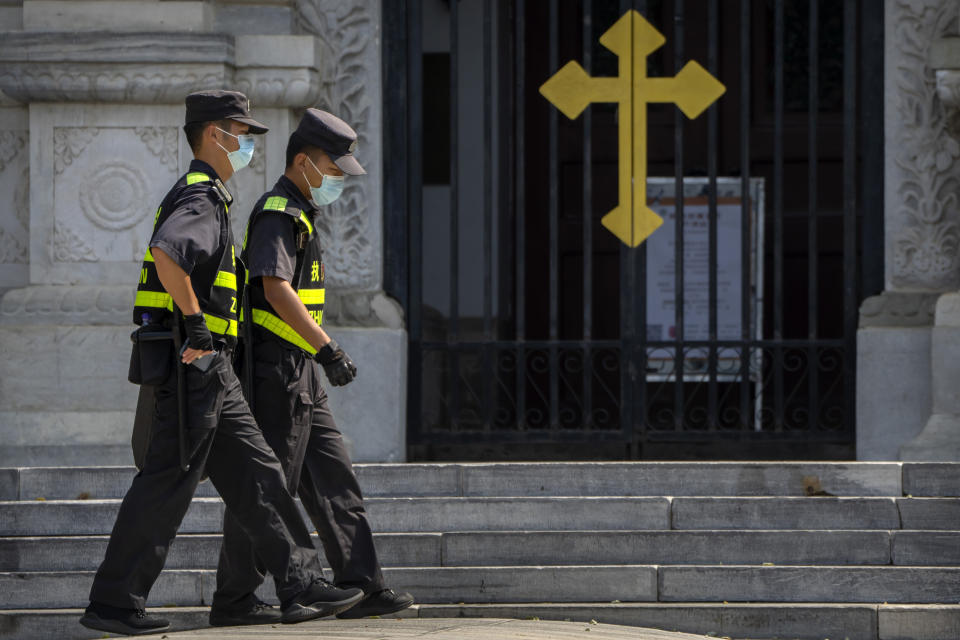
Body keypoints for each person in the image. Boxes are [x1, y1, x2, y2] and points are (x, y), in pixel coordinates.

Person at [80, 91, 364, 637]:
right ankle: (114, 603)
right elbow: (169, 252)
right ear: (215, 134)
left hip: (213, 371)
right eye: (242, 133)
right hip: (194, 367)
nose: (249, 145)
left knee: (261, 475)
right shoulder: (201, 197)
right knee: (166, 485)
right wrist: (195, 324)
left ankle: (299, 583)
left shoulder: (215, 198)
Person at [209, 108, 414, 626]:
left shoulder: (300, 211)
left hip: (301, 373)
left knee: (334, 478)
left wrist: (317, 356)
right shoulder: (279, 211)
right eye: (334, 167)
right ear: (304, 162)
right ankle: (235, 600)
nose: (340, 178)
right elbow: (274, 287)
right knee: (265, 488)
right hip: (276, 376)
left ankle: (361, 584)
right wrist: (327, 347)